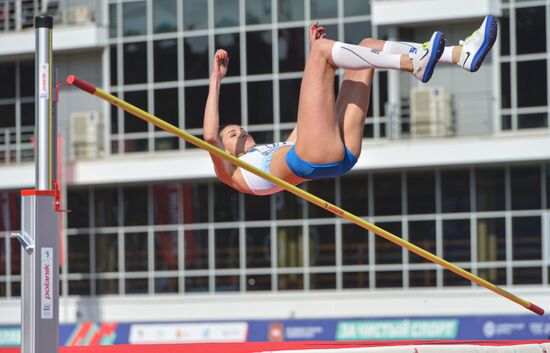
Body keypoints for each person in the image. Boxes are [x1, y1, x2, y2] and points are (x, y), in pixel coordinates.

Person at [203, 16, 498, 195]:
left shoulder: (271, 151)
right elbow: (209, 137)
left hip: (335, 153)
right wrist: (216, 79)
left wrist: (318, 67)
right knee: (322, 52)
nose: (240, 132)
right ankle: (414, 63)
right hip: (316, 157)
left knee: (367, 44)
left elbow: (312, 119)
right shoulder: (233, 173)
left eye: (239, 129)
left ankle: (460, 54)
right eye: (233, 135)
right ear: (225, 152)